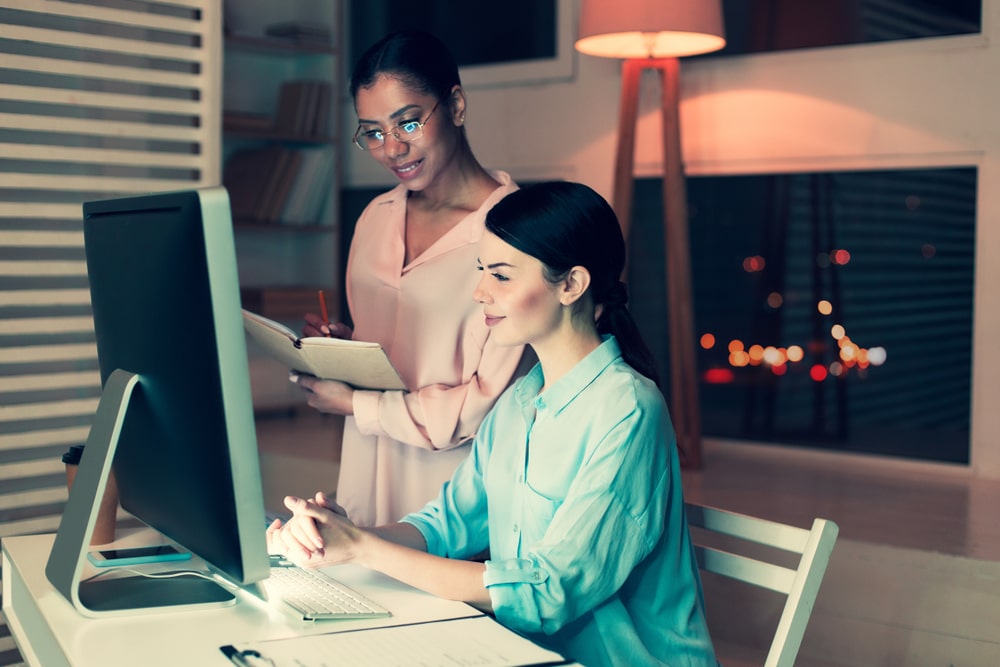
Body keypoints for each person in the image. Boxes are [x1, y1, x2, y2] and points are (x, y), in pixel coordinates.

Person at [270, 181, 719, 667]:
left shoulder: (629, 410)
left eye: (501, 276)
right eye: (482, 271)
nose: (479, 292)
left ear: (571, 285)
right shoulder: (519, 402)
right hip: (522, 655)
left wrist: (363, 550)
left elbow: (548, 592)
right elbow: (445, 527)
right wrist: (342, 533)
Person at [292, 31, 526, 527]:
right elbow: (398, 346)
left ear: (457, 104)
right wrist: (346, 349)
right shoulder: (375, 217)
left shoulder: (515, 233)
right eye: (372, 132)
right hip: (368, 475)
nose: (392, 148)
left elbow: (483, 405)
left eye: (409, 122)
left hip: (457, 498)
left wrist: (355, 402)